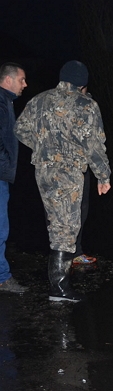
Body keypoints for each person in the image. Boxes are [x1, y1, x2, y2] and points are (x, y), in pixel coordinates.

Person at [14, 60, 111, 302]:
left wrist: (43, 147)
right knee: (66, 227)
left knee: (58, 222)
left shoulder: (39, 100)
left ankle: (59, 285)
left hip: (43, 172)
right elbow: (94, 145)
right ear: (82, 84)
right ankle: (58, 288)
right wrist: (103, 175)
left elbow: (20, 129)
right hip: (68, 172)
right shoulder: (86, 104)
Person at [0, 63, 28, 294]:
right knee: (0, 229)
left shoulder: (6, 102)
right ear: (8, 80)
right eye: (22, 79)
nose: (25, 84)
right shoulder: (1, 102)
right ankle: (2, 277)